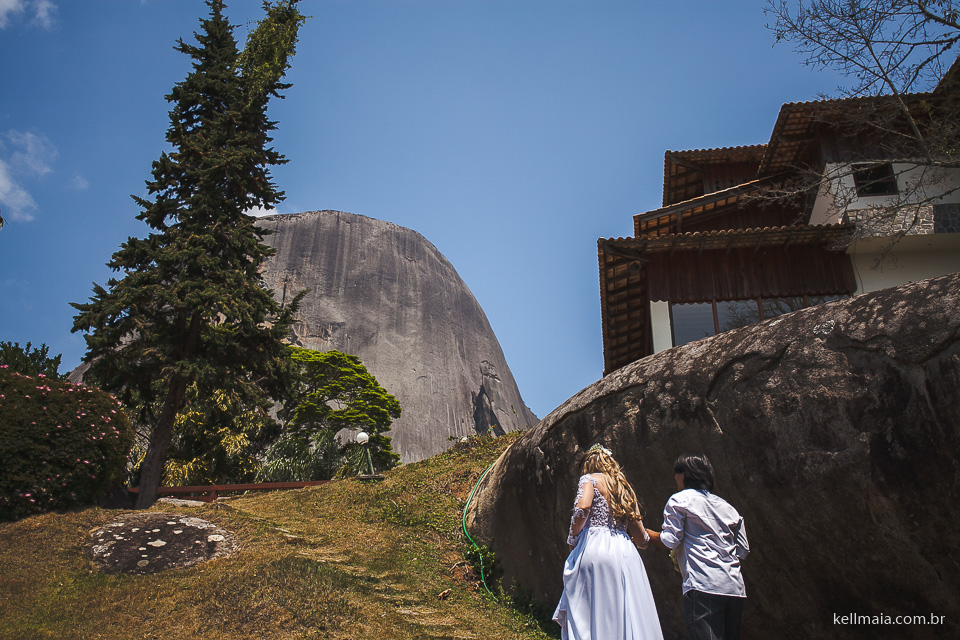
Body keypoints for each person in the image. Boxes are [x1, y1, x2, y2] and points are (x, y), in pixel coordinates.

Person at [553, 443, 664, 640]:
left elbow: (582, 508)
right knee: (628, 612)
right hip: (626, 553)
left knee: (593, 611)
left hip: (596, 549)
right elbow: (640, 538)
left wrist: (572, 539)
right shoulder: (623, 487)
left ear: (589, 464)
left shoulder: (589, 479)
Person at [647, 454, 749, 640]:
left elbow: (670, 540)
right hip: (734, 588)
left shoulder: (679, 500)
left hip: (703, 585)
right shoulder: (728, 507)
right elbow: (743, 550)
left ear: (684, 475)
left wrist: (646, 535)